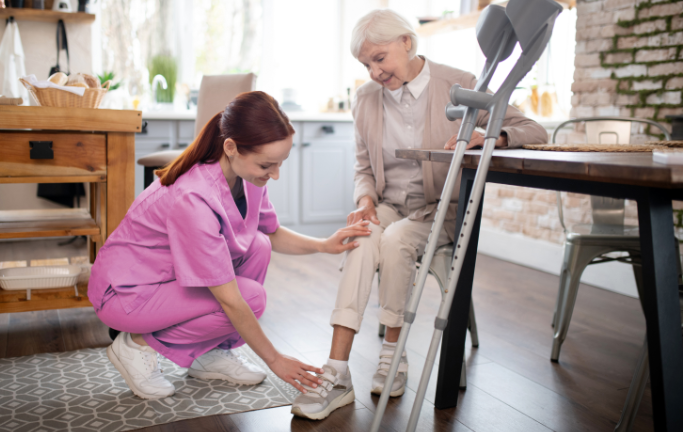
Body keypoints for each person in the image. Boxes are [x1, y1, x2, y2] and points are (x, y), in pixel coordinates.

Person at [291, 9, 548, 420]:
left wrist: (494, 135)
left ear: (407, 43)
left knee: (393, 242)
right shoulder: (365, 99)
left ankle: (393, 357)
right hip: (391, 207)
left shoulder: (461, 84)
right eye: (365, 64)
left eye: (380, 58)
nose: (374, 71)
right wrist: (365, 203)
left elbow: (534, 129)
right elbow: (363, 168)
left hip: (440, 210)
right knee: (361, 238)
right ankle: (336, 373)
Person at [88, 91, 371, 401]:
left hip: (167, 279)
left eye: (280, 164)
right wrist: (275, 359)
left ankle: (209, 353)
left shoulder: (247, 177)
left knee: (259, 246)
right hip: (128, 292)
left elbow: (271, 232)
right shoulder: (194, 197)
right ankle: (135, 345)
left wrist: (323, 245)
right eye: (267, 165)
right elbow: (232, 302)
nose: (275, 175)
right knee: (250, 298)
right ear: (231, 147)